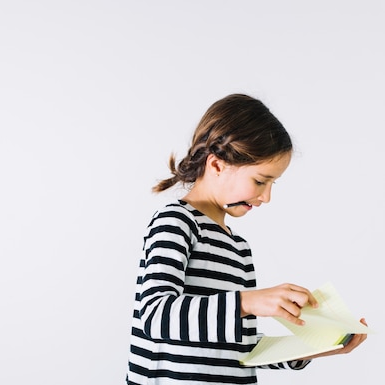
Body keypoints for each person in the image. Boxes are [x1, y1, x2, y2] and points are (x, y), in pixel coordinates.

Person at [125, 94, 368, 385]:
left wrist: (316, 348)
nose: (266, 197)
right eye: (260, 181)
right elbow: (155, 315)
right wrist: (247, 302)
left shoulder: (238, 248)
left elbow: (242, 348)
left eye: (271, 184)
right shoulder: (177, 222)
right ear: (217, 165)